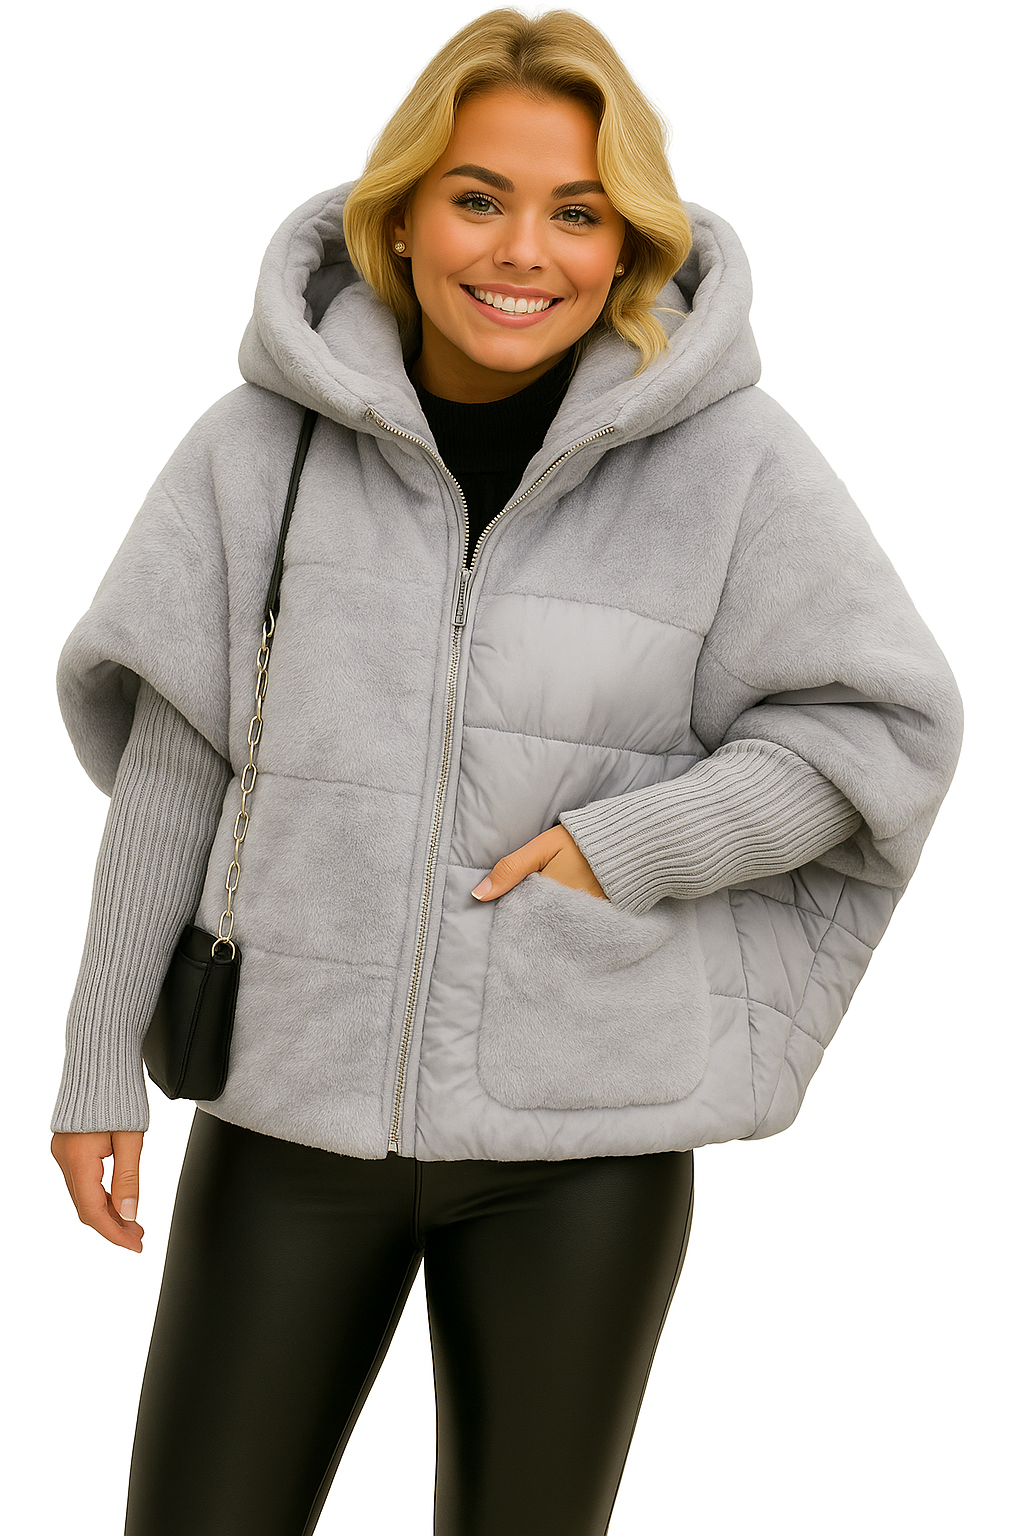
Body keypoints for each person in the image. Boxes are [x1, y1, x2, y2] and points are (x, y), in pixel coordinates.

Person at [49, 8, 963, 1535]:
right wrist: (97, 1065)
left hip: (581, 1145)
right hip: (282, 1118)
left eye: (578, 212)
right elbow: (177, 762)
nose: (523, 250)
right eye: (479, 197)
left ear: (630, 245)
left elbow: (878, 735)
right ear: (403, 216)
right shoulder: (258, 450)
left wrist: (629, 846)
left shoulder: (735, 466)